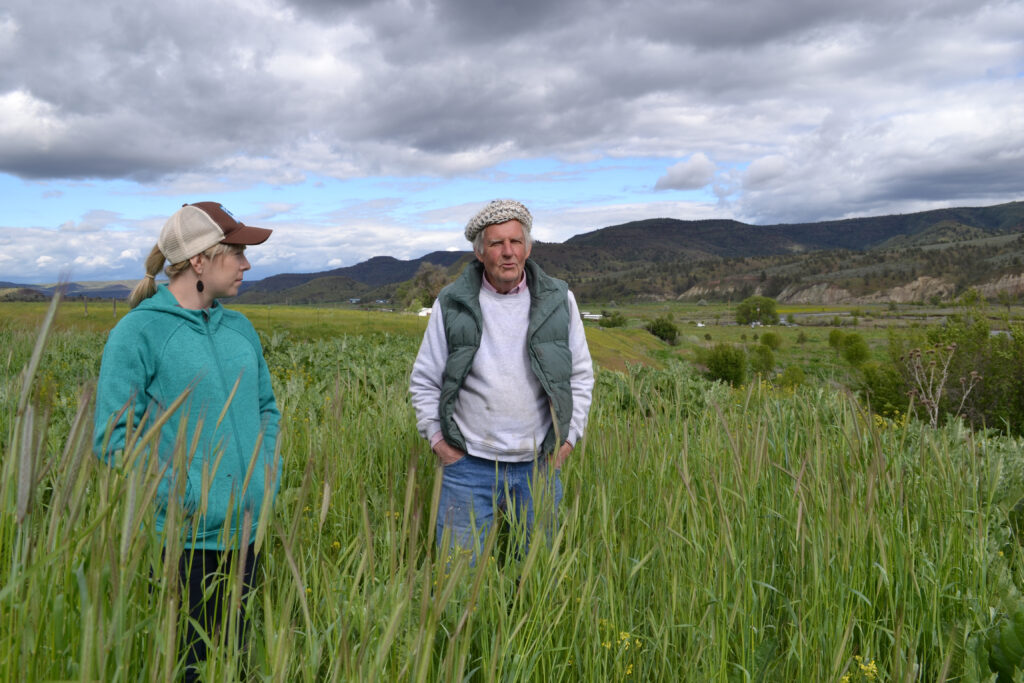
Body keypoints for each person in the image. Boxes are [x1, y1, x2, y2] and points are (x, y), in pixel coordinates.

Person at [93, 201, 279, 681]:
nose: (246, 264)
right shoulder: (138, 333)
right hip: (184, 542)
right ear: (200, 259)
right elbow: (114, 436)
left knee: (235, 663)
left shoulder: (240, 327)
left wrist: (264, 476)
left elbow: (266, 408)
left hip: (248, 533)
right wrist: (183, 495)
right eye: (235, 252)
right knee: (188, 668)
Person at [409, 199, 595, 557]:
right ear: (480, 252)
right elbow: (425, 380)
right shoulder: (451, 302)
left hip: (538, 465)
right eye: (496, 244)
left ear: (527, 247)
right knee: (457, 578)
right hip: (467, 465)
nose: (507, 253)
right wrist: (439, 443)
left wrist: (569, 439)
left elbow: (580, 375)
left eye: (515, 242)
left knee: (539, 575)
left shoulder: (560, 299)